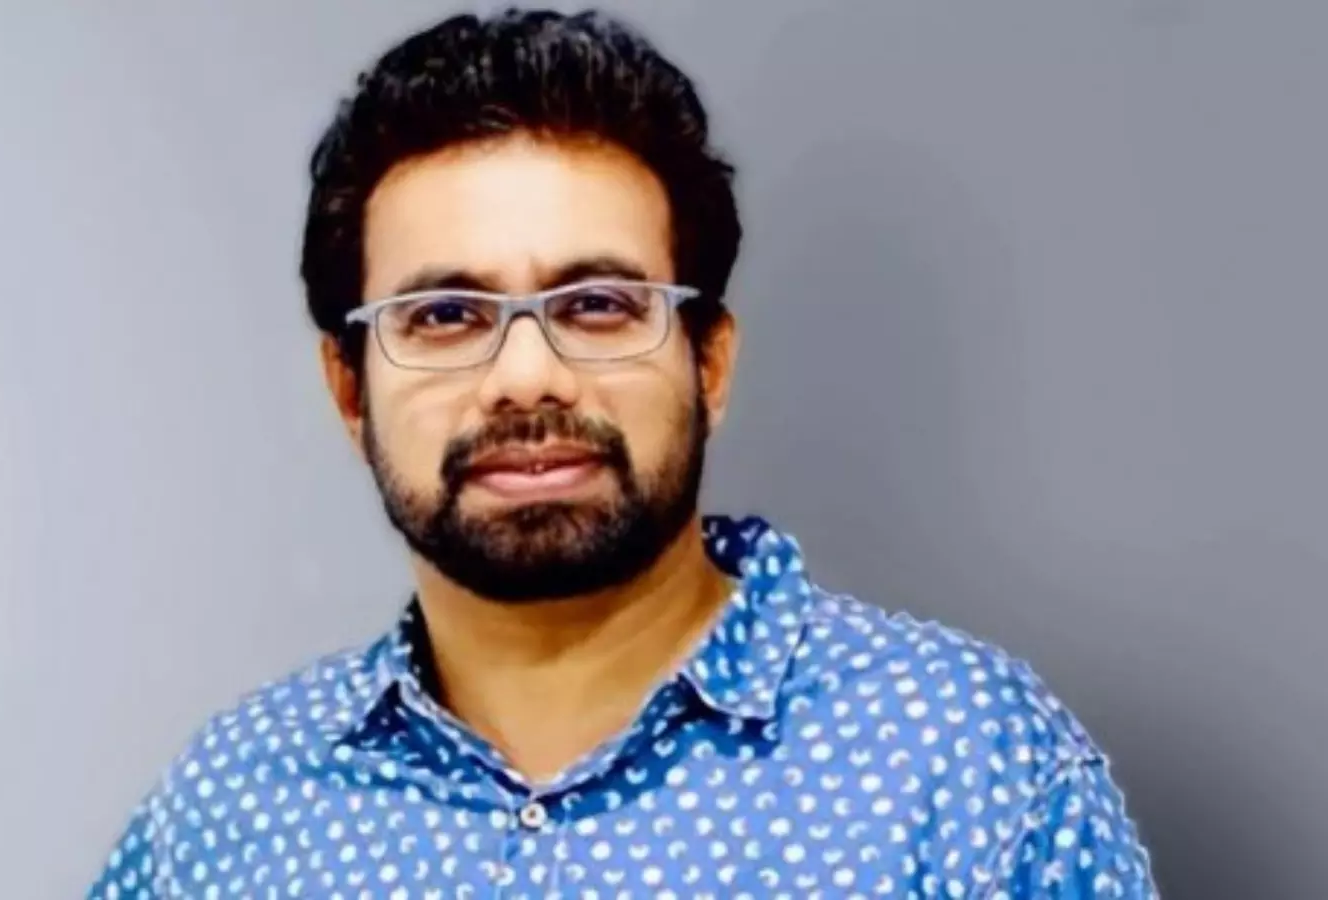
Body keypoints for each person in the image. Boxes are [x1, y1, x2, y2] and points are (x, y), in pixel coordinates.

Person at [88, 8, 1158, 898]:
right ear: (348, 390)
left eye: (597, 304)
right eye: (445, 316)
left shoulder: (970, 767)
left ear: (710, 363)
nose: (525, 377)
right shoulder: (225, 816)